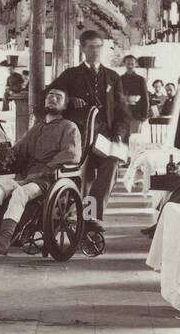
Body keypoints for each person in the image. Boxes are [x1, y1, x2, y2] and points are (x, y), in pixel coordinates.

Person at [47, 30, 130, 222]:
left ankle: (92, 217)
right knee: (82, 178)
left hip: (104, 139)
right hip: (77, 139)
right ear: (83, 48)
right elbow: (49, 95)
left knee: (112, 163)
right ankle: (73, 215)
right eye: (91, 47)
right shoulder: (71, 75)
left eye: (99, 46)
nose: (95, 51)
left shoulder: (112, 77)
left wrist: (118, 134)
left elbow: (122, 111)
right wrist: (67, 100)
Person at [0, 88, 82, 255]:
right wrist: (2, 156)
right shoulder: (37, 128)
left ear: (65, 105)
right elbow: (19, 150)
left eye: (58, 97)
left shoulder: (69, 127)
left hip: (49, 179)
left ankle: (4, 240)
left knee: (20, 193)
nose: (52, 98)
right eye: (49, 96)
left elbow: (71, 154)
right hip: (26, 176)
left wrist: (47, 168)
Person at [119, 54, 151, 137]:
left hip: (137, 115)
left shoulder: (141, 79)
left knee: (134, 139)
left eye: (132, 64)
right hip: (123, 115)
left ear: (136, 64)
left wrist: (144, 115)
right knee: (122, 140)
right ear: (124, 64)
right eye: (128, 63)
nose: (130, 66)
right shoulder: (119, 79)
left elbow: (145, 98)